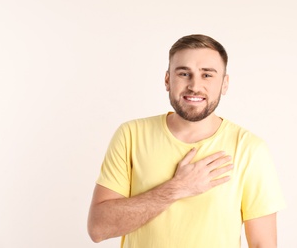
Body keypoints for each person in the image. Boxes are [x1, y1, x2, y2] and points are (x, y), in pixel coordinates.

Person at [87, 34, 286, 248]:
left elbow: (262, 244)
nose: (194, 85)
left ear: (224, 84)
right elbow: (98, 228)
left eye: (207, 75)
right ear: (167, 80)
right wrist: (177, 188)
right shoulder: (131, 135)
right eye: (184, 73)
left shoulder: (249, 148)